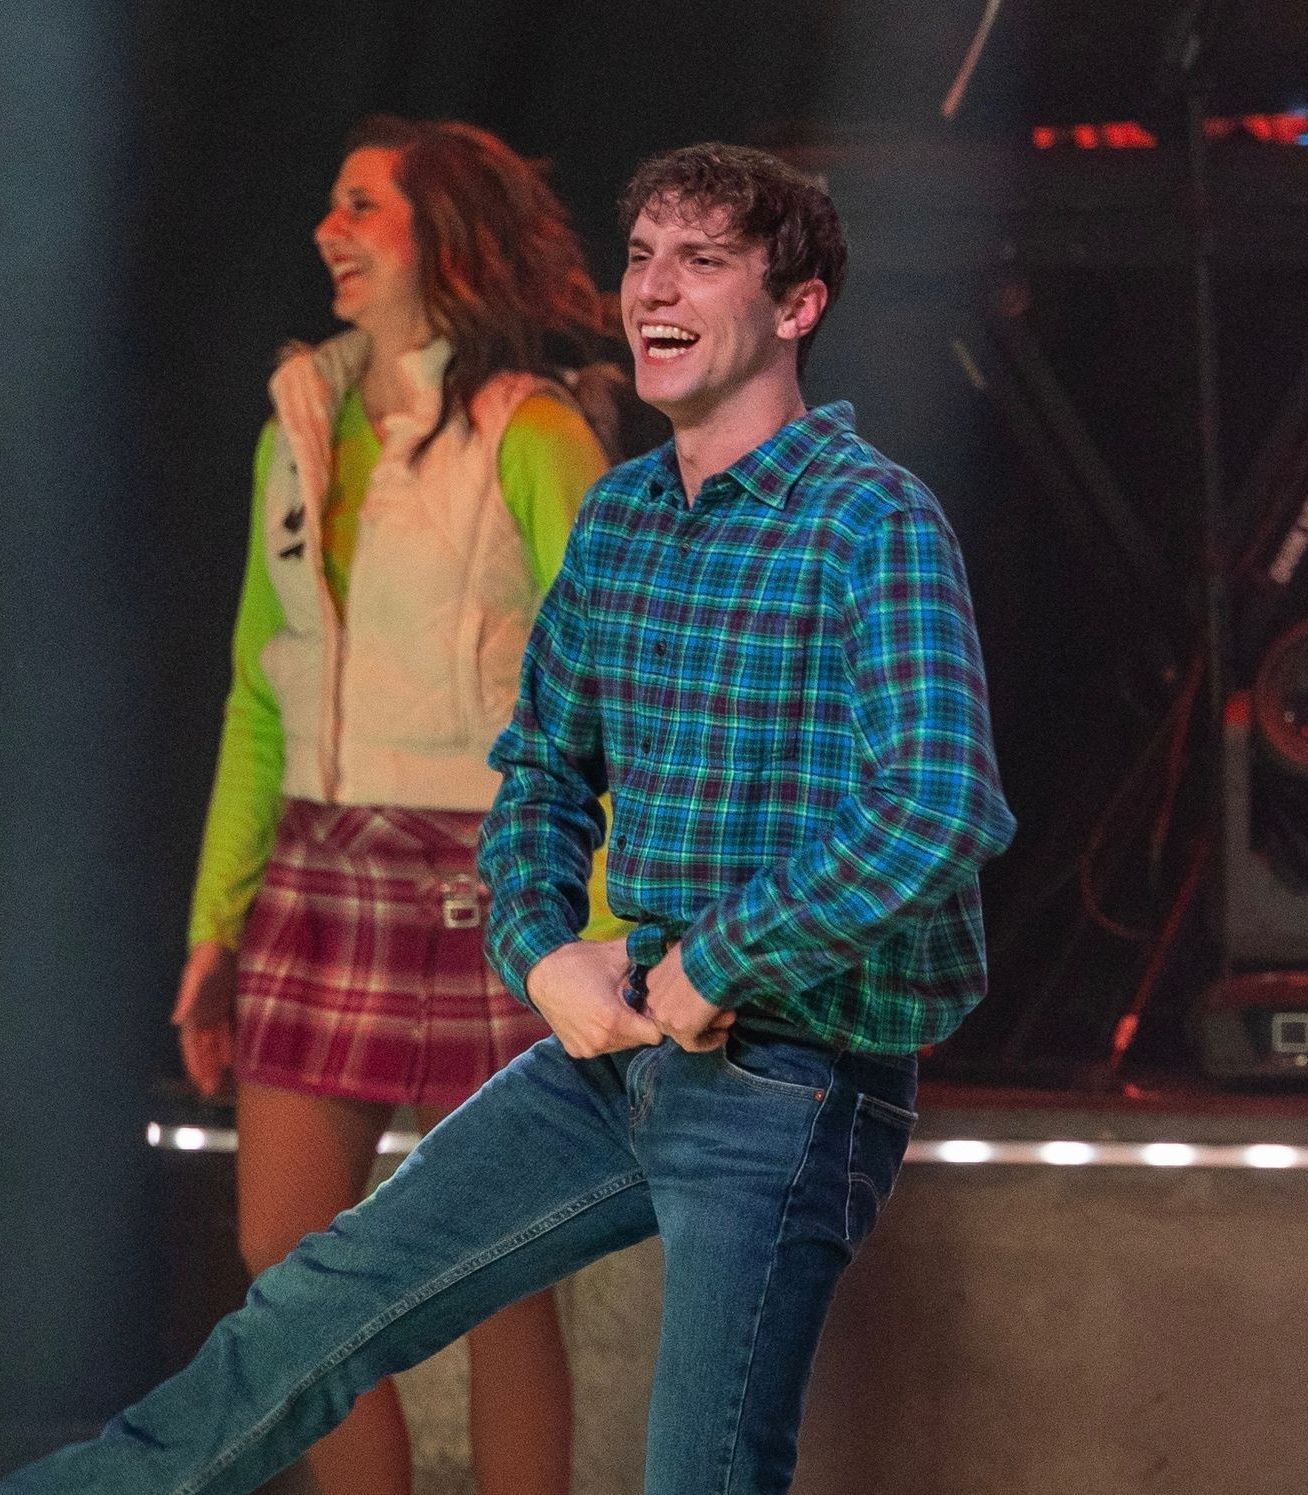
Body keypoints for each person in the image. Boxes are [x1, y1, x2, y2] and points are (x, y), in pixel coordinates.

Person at [2, 142, 1015, 1495]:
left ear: (797, 306)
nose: (654, 286)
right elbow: (537, 775)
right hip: (610, 1059)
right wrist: (545, 951)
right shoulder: (622, 520)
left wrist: (719, 958)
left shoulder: (871, 520)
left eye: (701, 261)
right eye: (643, 255)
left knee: (704, 1468)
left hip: (795, 1076)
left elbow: (940, 805)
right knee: (312, 1313)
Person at [169, 115, 623, 1495]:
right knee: (286, 1259)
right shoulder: (296, 426)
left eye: (360, 206)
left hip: (499, 873)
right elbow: (262, 692)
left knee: (499, 1275)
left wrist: (606, 927)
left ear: (446, 236)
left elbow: (619, 691)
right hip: (321, 868)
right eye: (331, 206)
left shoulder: (533, 432)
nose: (328, 230)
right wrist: (215, 922)